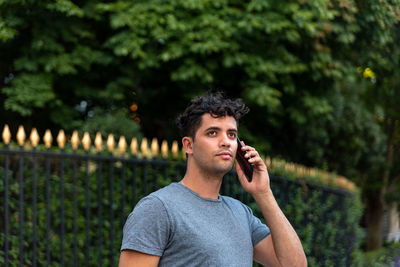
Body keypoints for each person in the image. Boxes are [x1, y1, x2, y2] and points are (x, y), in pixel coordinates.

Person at [119, 92, 307, 267]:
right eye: (212, 133)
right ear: (189, 145)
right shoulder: (158, 208)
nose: (225, 141)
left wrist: (262, 192)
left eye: (231, 134)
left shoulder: (241, 213)